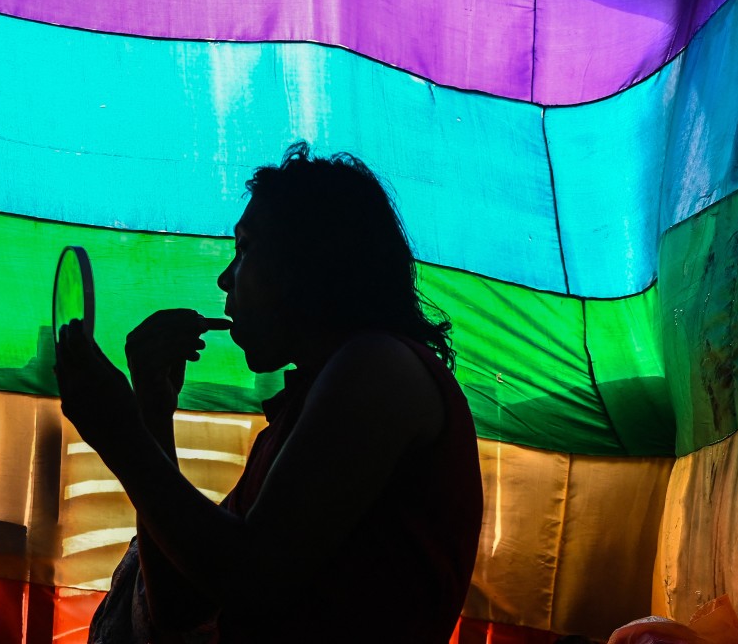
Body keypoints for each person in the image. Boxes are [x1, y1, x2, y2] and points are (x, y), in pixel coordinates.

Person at [55, 142, 484, 642]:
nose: (224, 278)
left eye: (244, 249)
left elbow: (252, 578)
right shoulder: (299, 415)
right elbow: (178, 606)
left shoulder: (381, 367)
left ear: (309, 258)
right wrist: (152, 415)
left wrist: (119, 435)